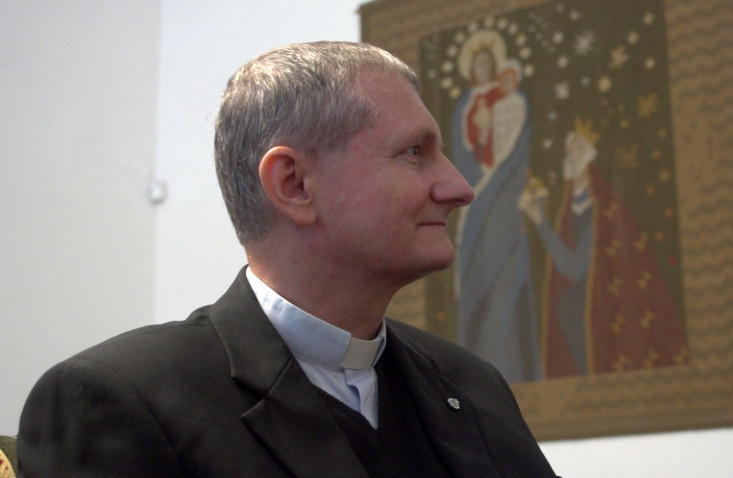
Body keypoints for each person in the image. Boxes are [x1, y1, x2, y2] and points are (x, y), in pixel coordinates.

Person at [16, 42, 558, 477]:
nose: (460, 187)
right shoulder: (120, 399)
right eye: (414, 152)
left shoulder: (472, 386)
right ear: (294, 184)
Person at [519, 127, 688, 377]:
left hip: (611, 288)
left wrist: (540, 222)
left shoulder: (603, 207)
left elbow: (575, 267)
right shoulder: (570, 207)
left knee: (570, 307)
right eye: (569, 149)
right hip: (588, 288)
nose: (571, 155)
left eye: (578, 148)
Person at [452, 30, 542, 383]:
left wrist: (497, 180)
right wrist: (482, 138)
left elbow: (517, 147)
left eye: (489, 62)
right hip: (477, 197)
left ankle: (514, 365)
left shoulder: (512, 99)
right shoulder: (465, 105)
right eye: (478, 63)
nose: (484, 68)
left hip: (503, 199)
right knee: (475, 277)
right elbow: (462, 154)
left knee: (509, 278)